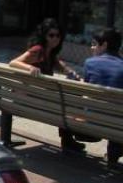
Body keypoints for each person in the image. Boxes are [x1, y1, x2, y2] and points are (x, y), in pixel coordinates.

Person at [9, 18, 83, 151]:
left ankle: (68, 139)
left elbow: (62, 66)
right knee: (65, 103)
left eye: (58, 35)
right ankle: (68, 140)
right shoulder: (38, 50)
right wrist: (29, 68)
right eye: (51, 35)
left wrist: (71, 72)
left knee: (64, 102)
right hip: (31, 99)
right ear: (44, 36)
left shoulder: (50, 53)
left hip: (36, 97)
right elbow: (13, 62)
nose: (55, 38)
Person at [83, 28, 123, 166]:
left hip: (91, 120)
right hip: (117, 124)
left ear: (104, 45)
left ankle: (67, 142)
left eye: (95, 44)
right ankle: (114, 152)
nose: (91, 47)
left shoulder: (90, 63)